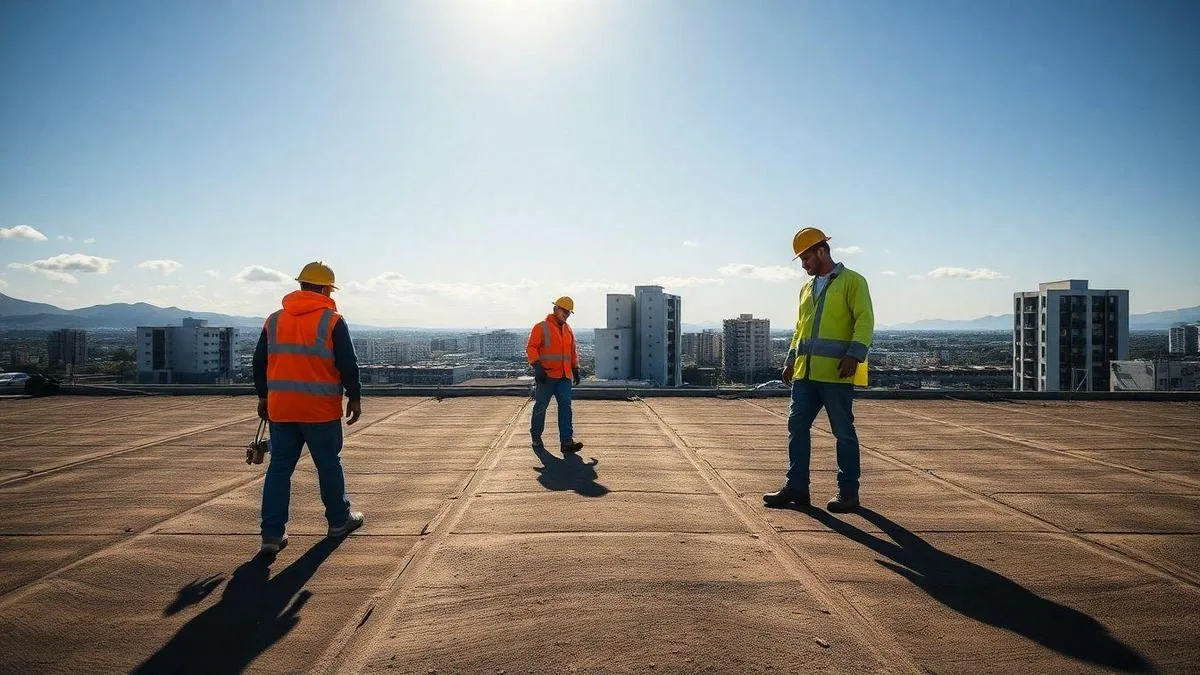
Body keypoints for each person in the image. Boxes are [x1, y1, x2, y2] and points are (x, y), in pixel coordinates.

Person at [253, 261, 364, 555]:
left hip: (282, 408)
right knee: (328, 464)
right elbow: (348, 363)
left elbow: (259, 362)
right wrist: (354, 397)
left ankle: (271, 536)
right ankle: (339, 520)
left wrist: (264, 396)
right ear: (327, 289)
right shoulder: (332, 320)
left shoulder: (274, 320)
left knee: (279, 468)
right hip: (319, 410)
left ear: (301, 285)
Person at [764, 227, 874, 513]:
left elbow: (865, 319)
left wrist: (855, 354)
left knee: (843, 433)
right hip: (805, 374)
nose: (804, 265)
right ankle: (797, 487)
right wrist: (790, 359)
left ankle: (848, 493)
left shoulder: (853, 282)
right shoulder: (806, 288)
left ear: (822, 251)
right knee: (796, 427)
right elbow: (800, 328)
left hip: (836, 373)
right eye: (801, 259)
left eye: (806, 258)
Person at [526, 296, 584, 454]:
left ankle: (566, 441)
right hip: (547, 376)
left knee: (566, 406)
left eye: (569, 312)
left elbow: (572, 351)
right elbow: (531, 347)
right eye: (564, 311)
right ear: (555, 309)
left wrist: (575, 368)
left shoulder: (568, 330)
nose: (566, 314)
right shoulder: (541, 327)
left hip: (564, 376)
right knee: (541, 406)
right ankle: (536, 436)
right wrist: (537, 366)